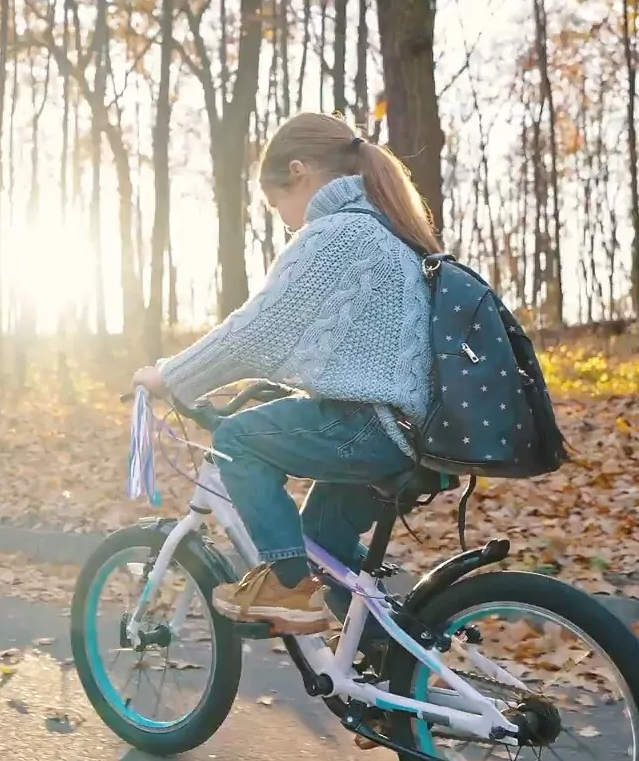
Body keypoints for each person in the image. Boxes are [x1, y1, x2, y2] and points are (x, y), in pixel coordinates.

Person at [131, 111, 443, 635]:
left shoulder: (342, 233)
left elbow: (256, 333)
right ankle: (385, 666)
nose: (286, 221)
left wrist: (170, 376)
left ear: (298, 172)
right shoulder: (385, 229)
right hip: (410, 431)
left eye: (278, 205)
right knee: (322, 535)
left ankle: (284, 585)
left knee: (239, 440)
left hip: (374, 426)